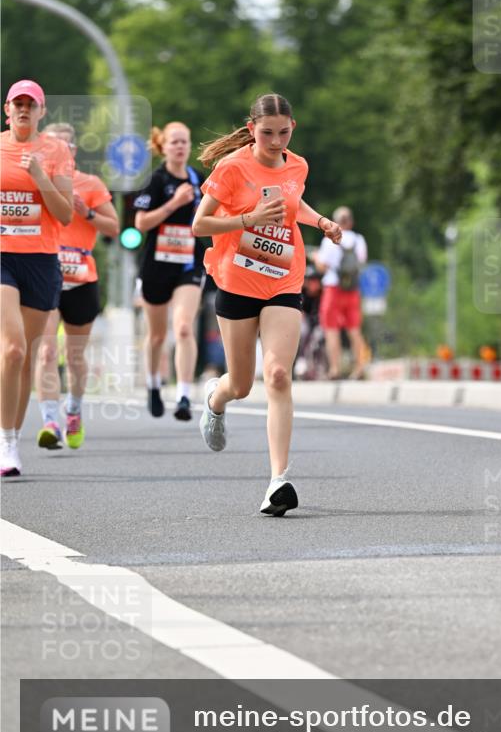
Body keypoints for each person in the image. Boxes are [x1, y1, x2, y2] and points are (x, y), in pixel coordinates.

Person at [191, 92, 342, 516]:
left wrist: (321, 221)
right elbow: (200, 224)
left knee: (277, 374)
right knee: (241, 385)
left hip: (283, 279)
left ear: (293, 128)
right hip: (237, 282)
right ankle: (215, 400)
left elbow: (293, 206)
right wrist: (248, 220)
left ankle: (278, 481)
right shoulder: (232, 167)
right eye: (267, 133)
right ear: (251, 128)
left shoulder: (298, 166)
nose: (275, 142)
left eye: (283, 133)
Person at [0, 80, 73, 478]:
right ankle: (5, 442)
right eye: (18, 103)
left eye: (32, 104)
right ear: (7, 110)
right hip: (3, 258)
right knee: (12, 350)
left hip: (41, 260)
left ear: (42, 111)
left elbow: (65, 215)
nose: (24, 109)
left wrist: (40, 176)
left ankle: (13, 439)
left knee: (25, 356)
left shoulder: (56, 151)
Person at [33, 123, 120, 450]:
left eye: (65, 145)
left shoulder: (91, 184)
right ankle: (49, 422)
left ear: (74, 151)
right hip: (46, 275)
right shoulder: (35, 183)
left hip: (82, 278)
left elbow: (114, 227)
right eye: (53, 145)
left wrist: (88, 213)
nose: (60, 151)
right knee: (46, 351)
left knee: (74, 356)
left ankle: (73, 410)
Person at [133, 122, 206, 420]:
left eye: (184, 142)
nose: (180, 147)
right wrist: (174, 204)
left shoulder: (198, 180)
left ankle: (184, 396)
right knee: (157, 336)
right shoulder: (155, 180)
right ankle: (153, 385)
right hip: (156, 265)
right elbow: (140, 223)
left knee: (185, 327)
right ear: (163, 146)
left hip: (188, 263)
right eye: (174, 142)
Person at [315, 205, 368, 380]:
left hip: (333, 288)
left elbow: (322, 267)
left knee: (331, 329)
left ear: (335, 222)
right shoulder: (359, 240)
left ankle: (335, 369)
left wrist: (316, 257)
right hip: (352, 289)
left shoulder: (329, 239)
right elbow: (361, 261)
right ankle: (359, 368)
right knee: (355, 330)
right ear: (351, 222)